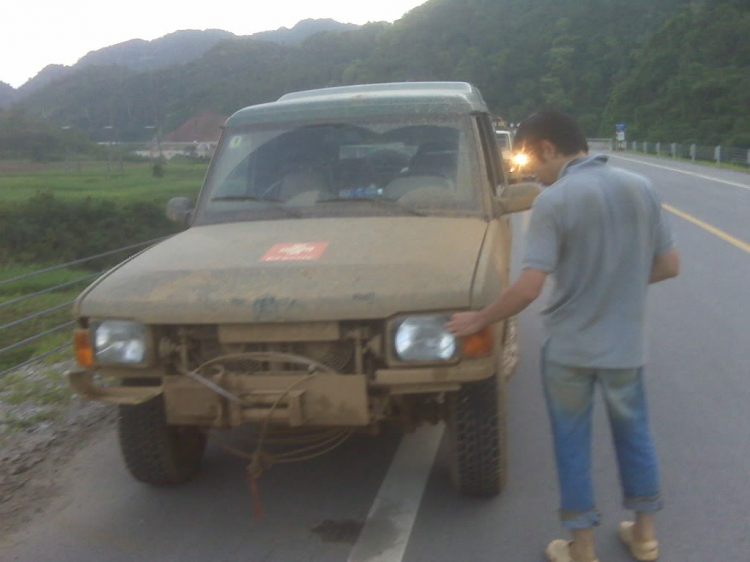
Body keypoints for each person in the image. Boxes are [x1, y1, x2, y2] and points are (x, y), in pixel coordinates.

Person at [446, 109, 679, 562]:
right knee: (636, 436)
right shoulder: (641, 188)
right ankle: (646, 536)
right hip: (625, 348)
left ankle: (582, 546)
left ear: (549, 148)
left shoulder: (554, 200)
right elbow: (669, 266)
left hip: (570, 350)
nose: (535, 172)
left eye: (535, 161)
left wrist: (479, 319)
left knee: (572, 445)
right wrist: (620, 282)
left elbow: (530, 286)